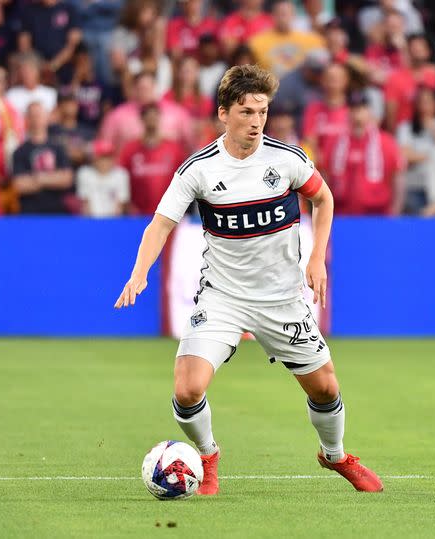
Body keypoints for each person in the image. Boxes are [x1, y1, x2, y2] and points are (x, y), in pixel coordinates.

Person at [113, 64, 383, 495]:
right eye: (246, 112)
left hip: (282, 299)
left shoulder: (287, 159)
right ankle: (207, 456)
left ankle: (334, 456)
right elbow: (160, 224)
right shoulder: (198, 169)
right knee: (187, 389)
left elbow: (324, 198)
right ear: (223, 113)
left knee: (326, 387)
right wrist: (139, 273)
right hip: (223, 297)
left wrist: (318, 259)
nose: (256, 121)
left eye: (262, 111)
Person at [320, 91, 405, 215]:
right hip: (341, 215)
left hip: (378, 215)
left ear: (369, 111)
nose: (357, 114)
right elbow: (324, 177)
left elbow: (398, 177)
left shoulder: (386, 142)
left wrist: (395, 211)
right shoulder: (334, 142)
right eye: (353, 109)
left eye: (361, 108)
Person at [117, 103, 185, 215]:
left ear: (159, 118)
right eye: (148, 117)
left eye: (154, 116)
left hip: (168, 214)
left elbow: (183, 180)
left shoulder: (174, 149)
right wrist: (128, 205)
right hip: (138, 215)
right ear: (142, 119)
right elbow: (122, 179)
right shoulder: (130, 149)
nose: (151, 120)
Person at [11, 101, 74, 214]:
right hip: (30, 213)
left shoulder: (58, 148)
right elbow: (19, 186)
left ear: (46, 118)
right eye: (32, 115)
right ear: (27, 119)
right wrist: (54, 178)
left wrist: (37, 178)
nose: (36, 119)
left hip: (57, 211)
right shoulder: (20, 151)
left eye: (39, 115)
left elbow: (67, 179)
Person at [248, 0, 326, 79]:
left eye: (286, 14)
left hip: (300, 88)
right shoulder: (256, 42)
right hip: (269, 88)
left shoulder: (313, 40)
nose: (283, 18)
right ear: (272, 16)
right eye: (280, 14)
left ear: (294, 15)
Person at [18, 0, 83, 84]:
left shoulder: (69, 9)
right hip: (36, 69)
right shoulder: (29, 11)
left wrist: (54, 65)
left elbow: (73, 43)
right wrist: (40, 65)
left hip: (64, 67)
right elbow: (24, 43)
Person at [76, 139, 129, 218]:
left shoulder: (121, 174)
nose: (105, 161)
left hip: (113, 222)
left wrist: (110, 225)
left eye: (108, 157)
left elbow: (120, 206)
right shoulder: (85, 173)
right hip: (91, 221)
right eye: (102, 157)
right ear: (94, 158)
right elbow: (85, 205)